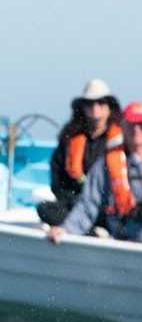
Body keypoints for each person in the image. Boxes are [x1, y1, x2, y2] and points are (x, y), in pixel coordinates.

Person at [47, 101, 142, 248]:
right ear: (123, 126)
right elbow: (87, 206)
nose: (137, 130)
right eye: (132, 124)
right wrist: (65, 230)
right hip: (127, 245)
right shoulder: (105, 164)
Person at [38, 78, 123, 227]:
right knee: (45, 209)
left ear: (110, 107)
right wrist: (71, 198)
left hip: (108, 206)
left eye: (101, 102)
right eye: (90, 103)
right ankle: (88, 231)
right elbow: (57, 175)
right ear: (82, 107)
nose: (96, 108)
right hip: (76, 203)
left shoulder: (121, 140)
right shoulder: (70, 138)